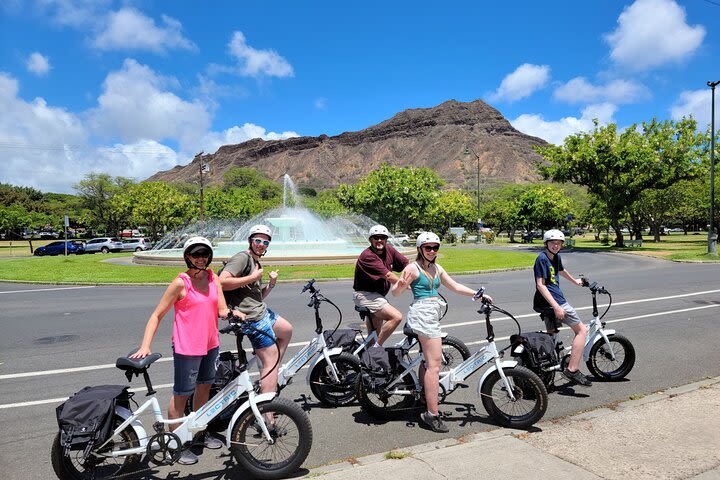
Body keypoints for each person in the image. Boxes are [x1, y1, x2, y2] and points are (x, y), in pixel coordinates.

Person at [130, 236, 237, 465]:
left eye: (205, 254)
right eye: (196, 254)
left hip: (210, 344)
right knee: (181, 394)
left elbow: (221, 309)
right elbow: (157, 315)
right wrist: (145, 345)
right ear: (187, 256)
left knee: (204, 388)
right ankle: (175, 442)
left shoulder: (212, 277)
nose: (201, 258)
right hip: (187, 347)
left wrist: (235, 315)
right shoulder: (181, 283)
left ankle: (198, 432)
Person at [391, 232, 491, 433]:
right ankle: (431, 414)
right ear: (420, 249)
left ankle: (423, 396)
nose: (432, 251)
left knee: (426, 361)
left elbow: (454, 286)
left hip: (432, 314)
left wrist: (478, 294)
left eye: (435, 247)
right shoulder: (413, 267)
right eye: (428, 247)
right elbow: (395, 293)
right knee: (434, 366)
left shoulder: (436, 268)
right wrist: (400, 285)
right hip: (423, 316)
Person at [219, 224, 293, 397]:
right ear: (250, 241)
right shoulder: (242, 258)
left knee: (287, 330)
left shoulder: (255, 261)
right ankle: (267, 412)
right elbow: (221, 282)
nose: (261, 244)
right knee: (271, 362)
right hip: (252, 319)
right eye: (258, 240)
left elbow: (257, 297)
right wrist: (253, 276)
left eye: (265, 242)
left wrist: (271, 284)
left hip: (261, 312)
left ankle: (269, 372)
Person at [533, 229, 592, 387]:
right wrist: (556, 307)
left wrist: (575, 281)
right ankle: (572, 370)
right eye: (552, 243)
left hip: (547, 302)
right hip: (553, 301)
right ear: (546, 243)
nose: (556, 245)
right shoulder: (542, 259)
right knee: (582, 331)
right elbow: (540, 285)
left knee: (553, 335)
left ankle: (548, 366)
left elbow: (561, 270)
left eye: (558, 243)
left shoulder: (555, 257)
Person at [353, 225, 409, 346]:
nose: (379, 240)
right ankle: (375, 350)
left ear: (386, 239)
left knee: (373, 336)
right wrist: (408, 285)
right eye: (376, 237)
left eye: (382, 237)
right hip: (365, 295)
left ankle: (367, 358)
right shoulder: (368, 256)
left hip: (377, 296)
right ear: (370, 239)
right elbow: (389, 276)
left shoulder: (389, 250)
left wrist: (418, 274)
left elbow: (406, 263)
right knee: (396, 317)